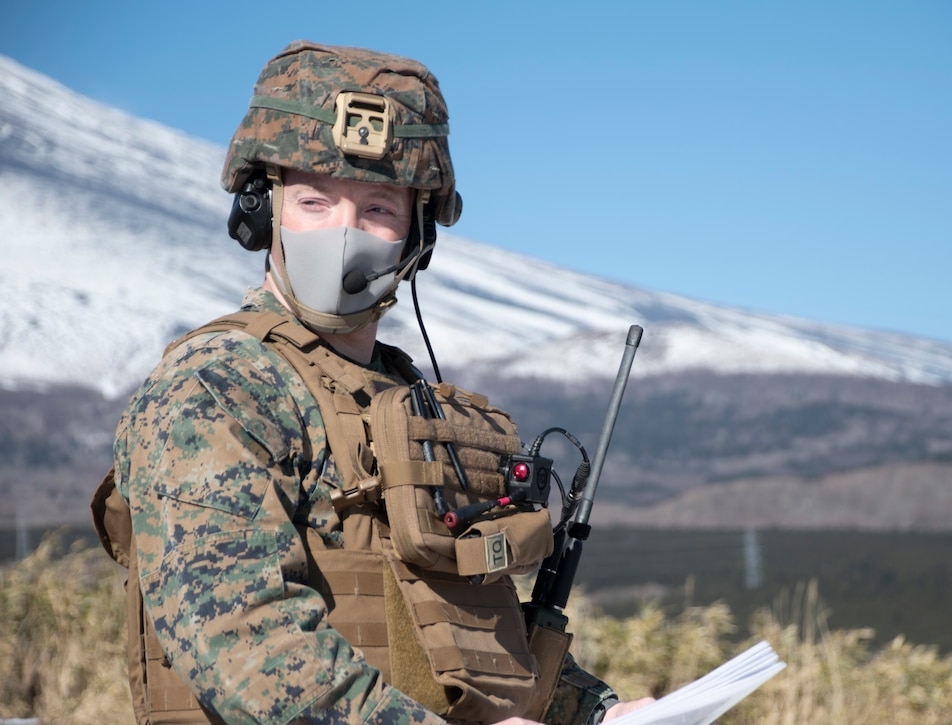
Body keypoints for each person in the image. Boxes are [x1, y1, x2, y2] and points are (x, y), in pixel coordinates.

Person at [91, 41, 651, 725]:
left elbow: (469, 639)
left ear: (419, 233)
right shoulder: (217, 388)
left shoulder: (414, 406)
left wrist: (594, 712)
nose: (345, 233)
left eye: (379, 208)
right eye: (315, 201)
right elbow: (242, 645)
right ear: (263, 209)